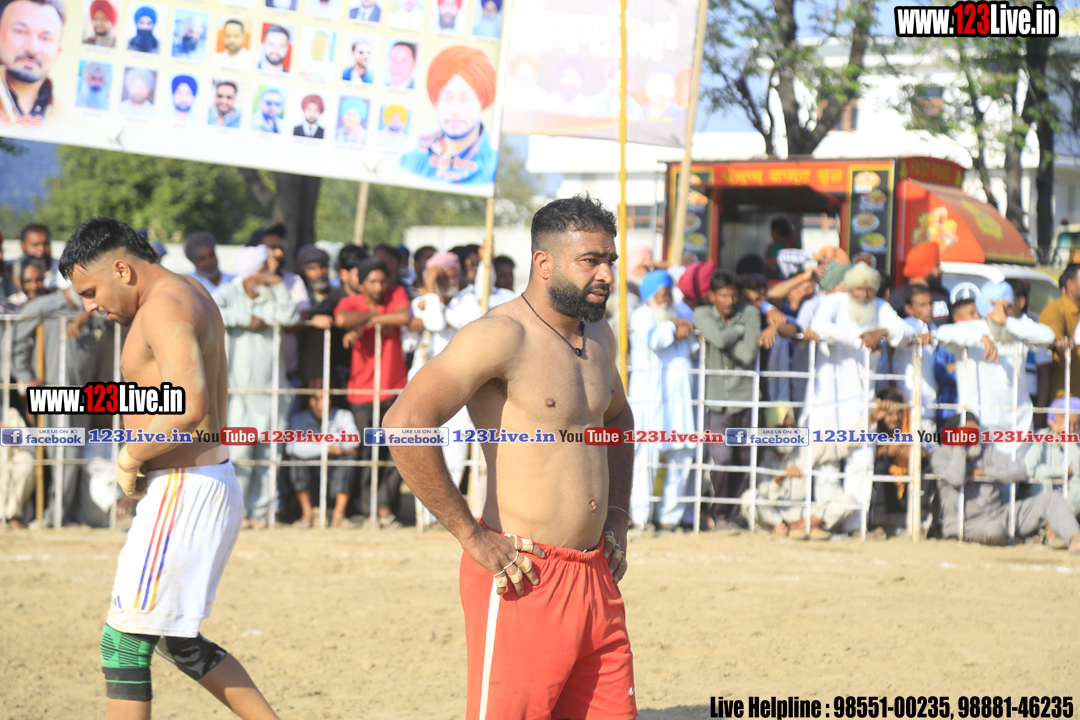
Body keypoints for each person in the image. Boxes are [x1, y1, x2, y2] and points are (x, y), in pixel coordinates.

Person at [383, 195, 636, 720]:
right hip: (523, 573)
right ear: (544, 263)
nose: (607, 275)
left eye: (610, 261)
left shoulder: (598, 336)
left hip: (595, 576)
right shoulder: (500, 335)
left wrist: (617, 514)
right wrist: (470, 534)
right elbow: (405, 424)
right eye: (590, 261)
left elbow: (619, 420)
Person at [58, 217, 281, 719]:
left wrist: (131, 455)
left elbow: (189, 406)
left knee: (123, 642)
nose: (89, 305)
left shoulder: (164, 306)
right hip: (195, 482)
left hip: (185, 487)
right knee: (174, 641)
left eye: (91, 291)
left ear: (122, 269)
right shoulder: (187, 290)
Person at [807, 263, 913, 529]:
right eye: (858, 289)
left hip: (862, 400)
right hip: (829, 397)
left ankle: (855, 526)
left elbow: (906, 332)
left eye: (869, 289)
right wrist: (858, 336)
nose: (864, 294)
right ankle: (828, 523)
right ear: (848, 288)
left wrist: (882, 331)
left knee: (862, 461)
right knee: (827, 461)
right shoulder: (834, 302)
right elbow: (818, 327)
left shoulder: (880, 308)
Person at [212, 245, 299, 529]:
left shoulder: (272, 294)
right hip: (237, 393)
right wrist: (243, 320)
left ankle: (260, 514)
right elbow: (209, 312)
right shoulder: (228, 292)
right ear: (253, 271)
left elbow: (291, 316)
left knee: (269, 455)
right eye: (265, 268)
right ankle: (236, 512)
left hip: (271, 390)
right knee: (238, 455)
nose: (270, 272)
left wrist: (280, 286)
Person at [13, 282, 111, 527]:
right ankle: (54, 518)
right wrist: (26, 378)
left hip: (91, 398)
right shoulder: (45, 306)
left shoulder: (96, 309)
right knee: (64, 454)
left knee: (78, 457)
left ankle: (69, 515)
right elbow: (13, 344)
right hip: (56, 396)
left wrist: (86, 316)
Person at [931, 413, 1080, 553]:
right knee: (994, 530)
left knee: (1052, 499)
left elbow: (1020, 470)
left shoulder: (985, 451)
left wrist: (983, 472)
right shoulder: (940, 456)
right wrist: (959, 447)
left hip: (1001, 515)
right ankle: (1020, 539)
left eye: (975, 432)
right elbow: (957, 478)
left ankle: (1075, 538)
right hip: (965, 524)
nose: (972, 437)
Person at [334, 255, 409, 524]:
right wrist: (375, 318)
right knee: (367, 451)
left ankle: (385, 507)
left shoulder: (396, 293)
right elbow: (341, 319)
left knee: (397, 450)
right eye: (372, 281)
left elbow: (404, 316)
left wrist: (363, 322)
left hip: (395, 388)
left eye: (382, 281)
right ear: (361, 283)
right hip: (363, 392)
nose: (379, 287)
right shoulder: (350, 301)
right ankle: (367, 508)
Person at [936, 281, 1054, 448]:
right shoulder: (972, 329)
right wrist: (980, 338)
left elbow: (1048, 336)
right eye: (999, 307)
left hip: (1017, 426)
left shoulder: (1018, 329)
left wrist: (1006, 322)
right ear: (986, 309)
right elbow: (941, 334)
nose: (1005, 312)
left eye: (1008, 307)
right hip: (979, 425)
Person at [628, 270, 697, 529]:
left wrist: (680, 324)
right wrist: (673, 326)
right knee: (645, 460)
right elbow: (654, 339)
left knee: (682, 456)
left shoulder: (679, 313)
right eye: (661, 293)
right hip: (650, 402)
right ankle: (641, 517)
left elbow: (694, 342)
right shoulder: (642, 315)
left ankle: (670, 518)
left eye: (669, 293)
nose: (666, 299)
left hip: (681, 403)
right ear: (649, 295)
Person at [695, 269, 761, 530]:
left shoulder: (751, 313)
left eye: (733, 295)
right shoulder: (702, 314)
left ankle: (735, 516)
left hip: (745, 398)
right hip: (716, 400)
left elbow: (746, 355)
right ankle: (719, 514)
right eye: (723, 295)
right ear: (713, 296)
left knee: (744, 460)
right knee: (721, 459)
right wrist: (738, 330)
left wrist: (724, 333)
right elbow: (722, 341)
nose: (729, 301)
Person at [401, 45, 497, 185]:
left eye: (466, 99)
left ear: (481, 102)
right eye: (446, 98)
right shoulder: (411, 161)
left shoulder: (493, 167)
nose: (455, 109)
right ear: (436, 101)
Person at [285, 378, 360, 528]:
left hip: (335, 472)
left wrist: (315, 440)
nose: (321, 403)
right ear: (309, 401)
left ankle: (339, 515)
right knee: (296, 460)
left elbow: (354, 439)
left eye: (324, 398)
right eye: (316, 398)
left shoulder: (342, 415)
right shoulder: (298, 419)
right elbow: (292, 447)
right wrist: (329, 448)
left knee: (349, 457)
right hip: (311, 473)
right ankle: (307, 514)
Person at [0, 0, 65, 123]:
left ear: (57, 52)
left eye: (45, 38)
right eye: (20, 31)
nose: (32, 48)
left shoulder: (71, 123)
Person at [1022, 395, 1080, 531]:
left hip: (1069, 504)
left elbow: (1078, 469)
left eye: (1076, 423)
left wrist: (1066, 438)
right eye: (1067, 424)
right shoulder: (1041, 436)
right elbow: (1028, 469)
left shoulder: (1075, 441)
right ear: (1052, 421)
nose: (1072, 428)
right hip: (1042, 500)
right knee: (1043, 483)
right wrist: (1063, 471)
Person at [1038, 263, 1080, 411]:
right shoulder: (1055, 309)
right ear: (1070, 284)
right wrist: (1060, 341)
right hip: (1064, 400)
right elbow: (1051, 329)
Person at [890, 241, 951, 324]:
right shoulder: (897, 297)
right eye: (937, 265)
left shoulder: (942, 294)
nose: (941, 269)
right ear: (925, 268)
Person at [13, 223, 65, 291]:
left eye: (46, 244)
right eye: (35, 245)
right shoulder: (13, 269)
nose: (41, 249)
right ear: (23, 246)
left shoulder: (64, 269)